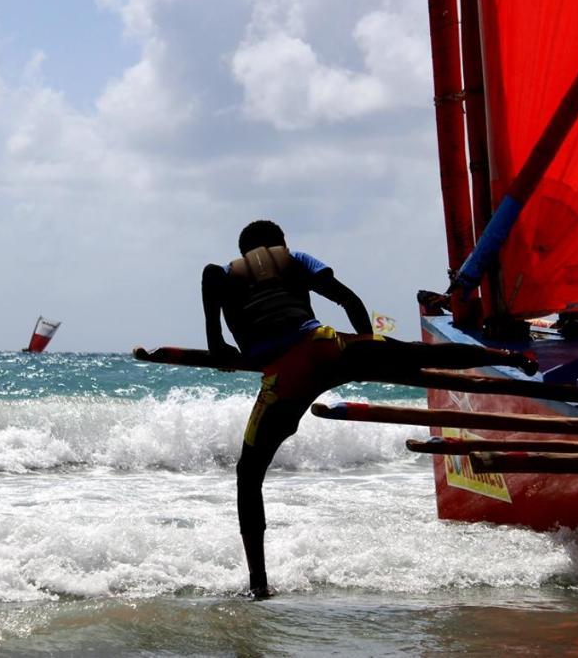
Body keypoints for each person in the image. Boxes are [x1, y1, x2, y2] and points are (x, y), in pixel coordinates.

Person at [203, 220, 538, 598]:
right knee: (417, 353)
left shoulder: (222, 276)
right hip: (331, 349)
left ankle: (258, 585)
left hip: (284, 379)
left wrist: (221, 351)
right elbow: (349, 300)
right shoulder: (296, 259)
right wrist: (366, 343)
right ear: (279, 245)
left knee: (249, 475)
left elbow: (218, 321)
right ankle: (505, 355)